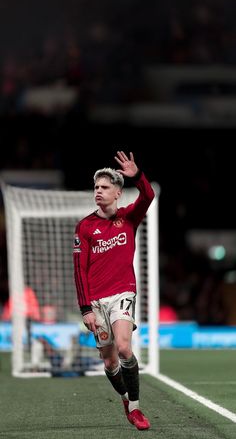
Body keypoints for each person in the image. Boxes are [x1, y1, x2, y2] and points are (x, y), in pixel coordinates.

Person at [73, 150, 155, 430]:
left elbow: (148, 197)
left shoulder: (129, 217)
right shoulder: (84, 227)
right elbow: (79, 270)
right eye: (96, 187)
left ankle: (135, 407)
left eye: (105, 187)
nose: (98, 191)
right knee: (109, 362)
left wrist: (139, 177)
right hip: (95, 301)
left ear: (118, 193)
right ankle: (123, 397)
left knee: (123, 347)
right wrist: (85, 309)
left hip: (123, 293)